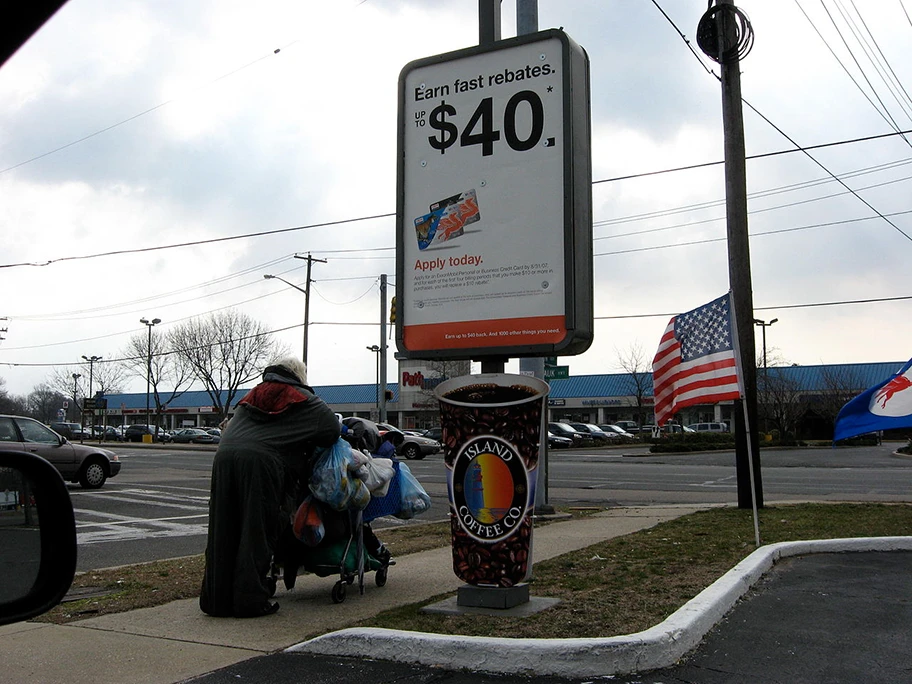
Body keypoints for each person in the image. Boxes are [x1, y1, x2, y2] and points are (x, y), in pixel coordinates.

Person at [199, 357, 340, 618]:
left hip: (224, 457)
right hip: (263, 463)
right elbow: (332, 430)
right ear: (299, 376)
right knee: (257, 529)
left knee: (223, 528)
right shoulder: (302, 398)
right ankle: (250, 601)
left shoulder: (251, 395)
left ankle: (215, 600)